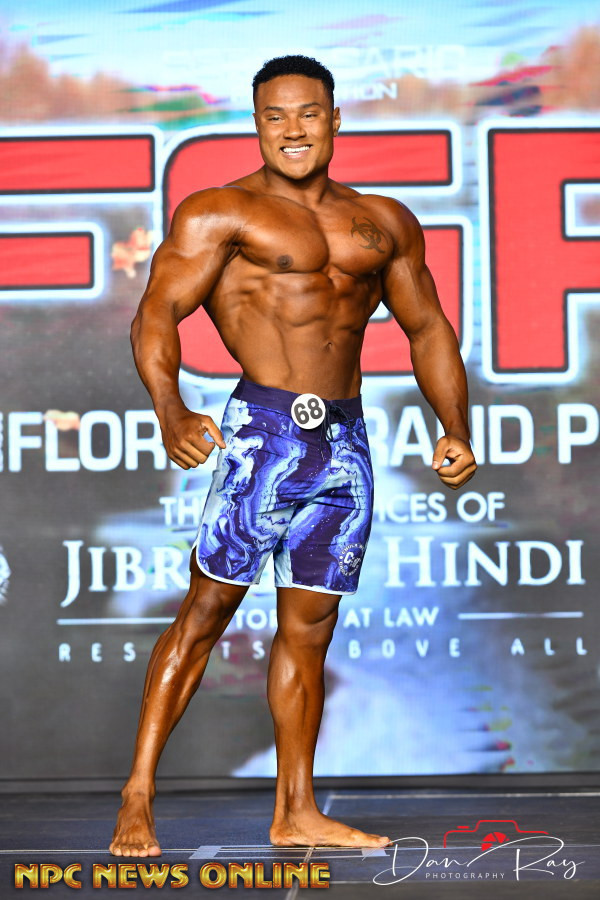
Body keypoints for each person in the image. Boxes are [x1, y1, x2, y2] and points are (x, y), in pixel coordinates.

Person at [109, 54, 477, 857]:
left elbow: (427, 328)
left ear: (334, 119)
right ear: (257, 124)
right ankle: (137, 793)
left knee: (310, 629)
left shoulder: (382, 221)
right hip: (262, 436)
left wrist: (455, 425)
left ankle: (296, 809)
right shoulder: (221, 212)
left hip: (344, 442)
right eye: (275, 116)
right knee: (207, 612)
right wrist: (171, 409)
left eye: (308, 113)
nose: (292, 130)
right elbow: (156, 313)